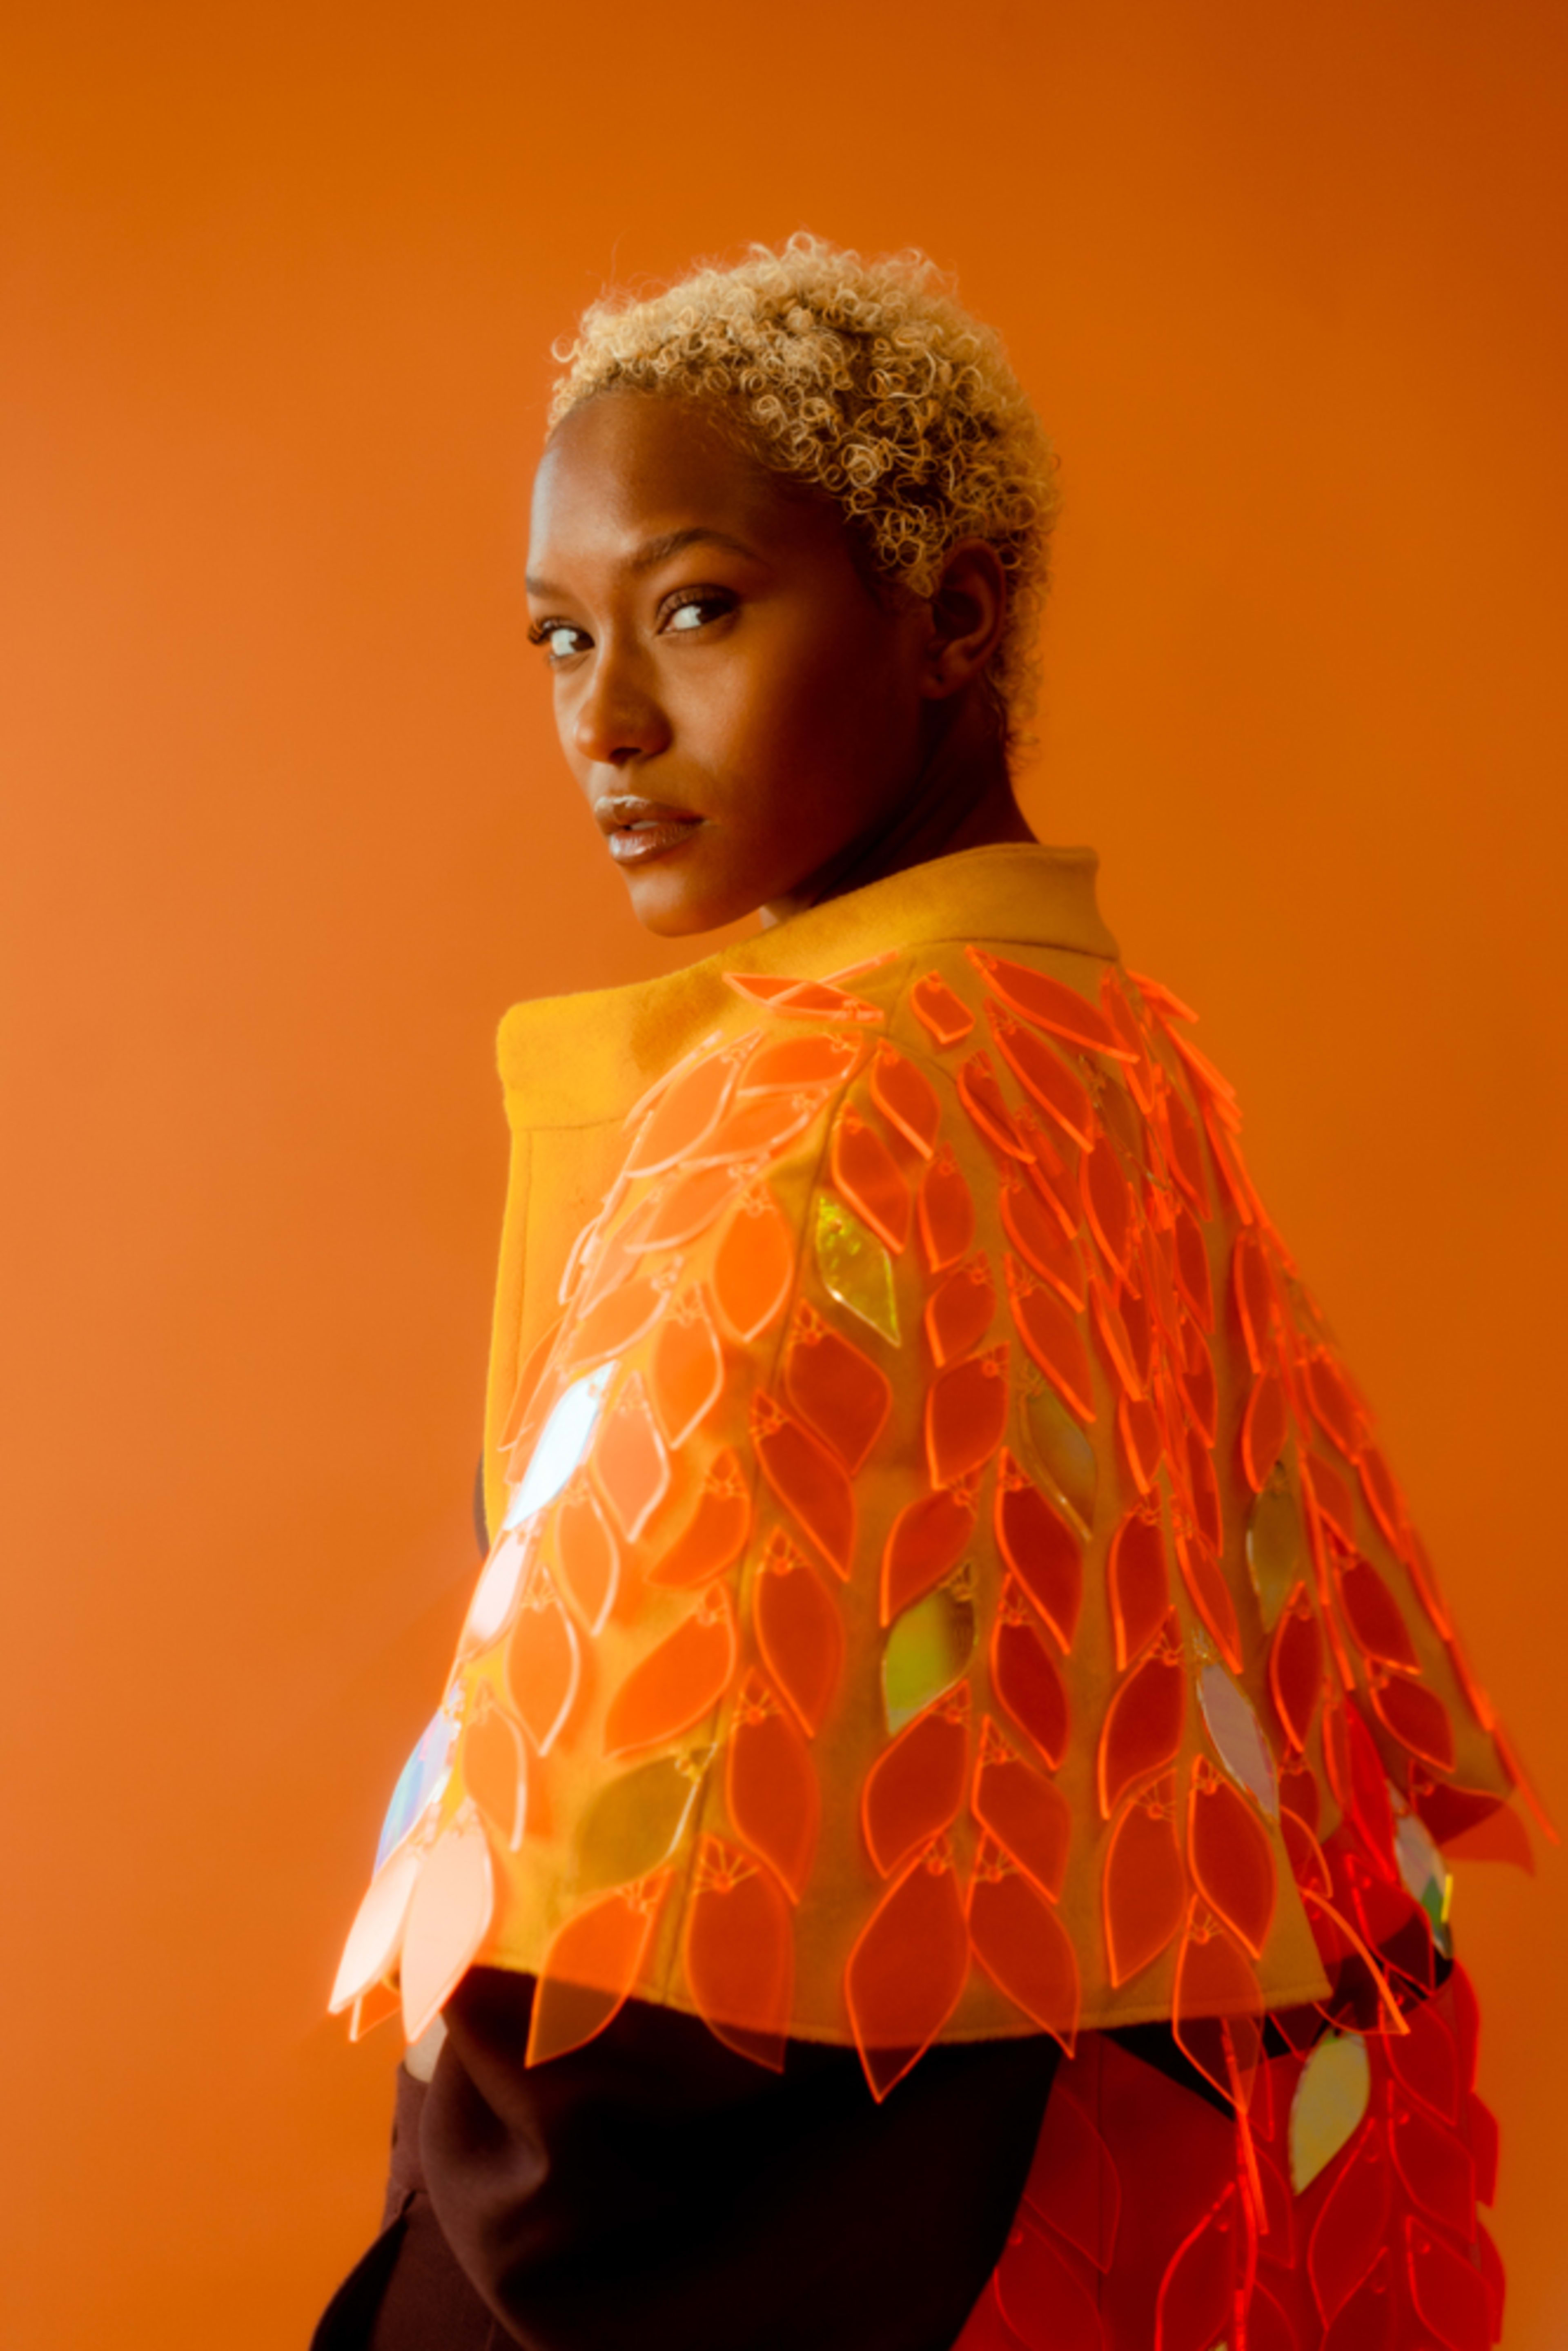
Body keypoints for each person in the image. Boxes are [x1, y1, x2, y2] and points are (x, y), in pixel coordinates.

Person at [312, 236, 1537, 2351]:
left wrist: (459, 2264)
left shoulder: (807, 1105)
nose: (604, 719)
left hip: (765, 2243)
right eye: (555, 635)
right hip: (1096, 2244)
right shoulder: (1125, 1068)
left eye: (697, 607)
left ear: (952, 614)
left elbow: (623, 1832)